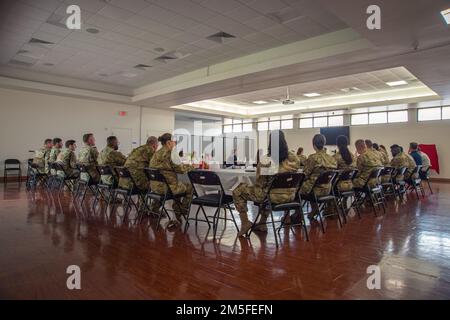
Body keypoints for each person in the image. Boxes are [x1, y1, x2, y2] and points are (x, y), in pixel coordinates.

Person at [233, 130, 300, 236]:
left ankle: (245, 223)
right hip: (291, 196)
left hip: (272, 197)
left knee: (238, 190)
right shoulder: (294, 159)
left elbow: (260, 182)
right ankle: (262, 223)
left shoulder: (266, 160)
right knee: (267, 190)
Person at [150, 133, 194, 225]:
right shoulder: (171, 153)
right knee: (190, 187)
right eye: (175, 142)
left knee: (179, 185)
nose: (176, 144)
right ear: (169, 142)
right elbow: (180, 169)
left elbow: (175, 166)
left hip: (154, 187)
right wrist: (192, 166)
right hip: (167, 188)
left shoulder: (156, 153)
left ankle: (159, 211)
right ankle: (180, 212)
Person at [300, 134, 337, 219]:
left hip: (314, 190)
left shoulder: (312, 158)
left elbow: (305, 175)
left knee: (297, 188)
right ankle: (315, 210)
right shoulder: (332, 159)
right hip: (328, 190)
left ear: (314, 145)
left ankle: (298, 215)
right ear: (324, 143)